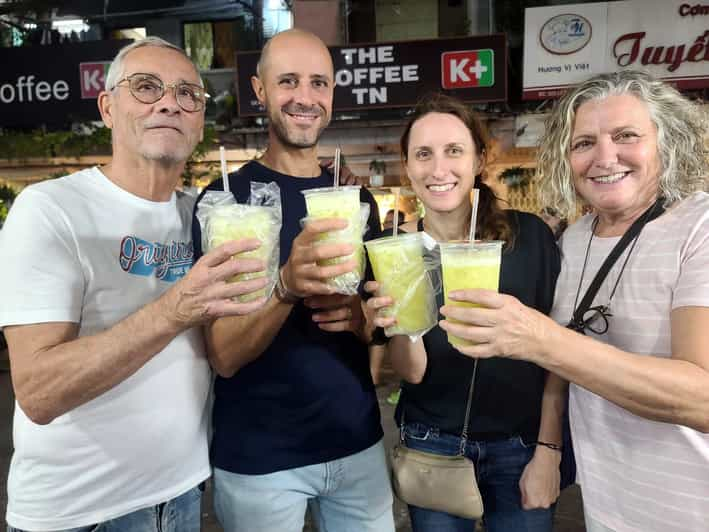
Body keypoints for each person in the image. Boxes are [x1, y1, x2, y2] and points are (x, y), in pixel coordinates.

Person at [0, 37, 270, 532]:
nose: (169, 102)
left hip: (183, 496)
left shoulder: (205, 215)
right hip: (78, 513)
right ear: (107, 108)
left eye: (189, 94)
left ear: (199, 120)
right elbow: (38, 393)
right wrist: (174, 309)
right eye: (146, 87)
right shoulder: (50, 210)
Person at [440, 71, 709, 531]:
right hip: (606, 506)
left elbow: (701, 398)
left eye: (626, 136)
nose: (605, 157)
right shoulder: (574, 238)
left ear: (666, 141)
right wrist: (549, 452)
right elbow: (568, 369)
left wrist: (541, 339)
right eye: (584, 143)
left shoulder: (698, 228)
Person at [191, 29, 394, 532]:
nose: (305, 97)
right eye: (288, 81)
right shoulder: (224, 203)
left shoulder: (356, 201)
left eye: (318, 83)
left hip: (358, 445)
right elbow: (224, 356)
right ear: (258, 90)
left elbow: (378, 338)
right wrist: (285, 287)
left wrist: (362, 321)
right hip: (259, 458)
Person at [365, 93, 564, 532]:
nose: (438, 169)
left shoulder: (528, 237)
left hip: (520, 443)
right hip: (432, 444)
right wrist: (402, 324)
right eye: (423, 154)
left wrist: (550, 449)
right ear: (407, 164)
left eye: (454, 151)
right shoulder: (395, 250)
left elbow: (558, 353)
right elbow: (410, 373)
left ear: (478, 159)